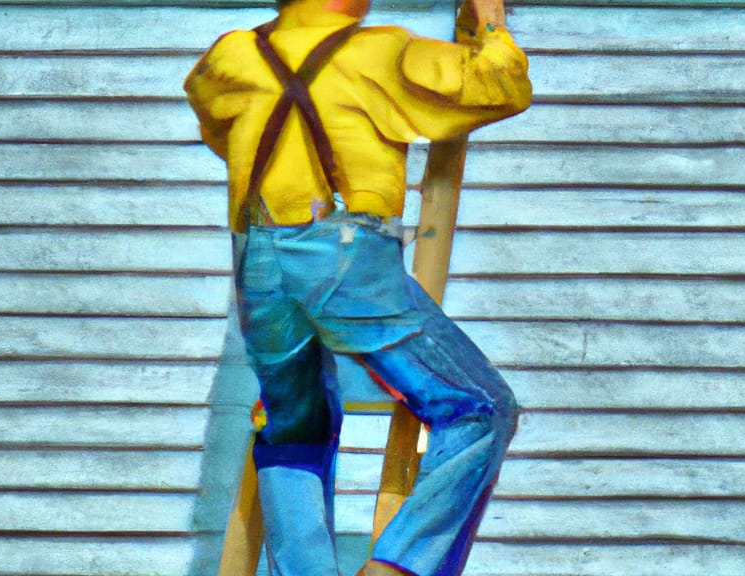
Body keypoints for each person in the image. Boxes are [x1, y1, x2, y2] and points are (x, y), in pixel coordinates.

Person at [184, 0, 531, 573]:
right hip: (341, 254)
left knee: (295, 426)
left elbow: (216, 122)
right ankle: (398, 566)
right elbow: (501, 87)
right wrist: (490, 23)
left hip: (257, 259)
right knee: (481, 407)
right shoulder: (381, 53)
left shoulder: (230, 56)